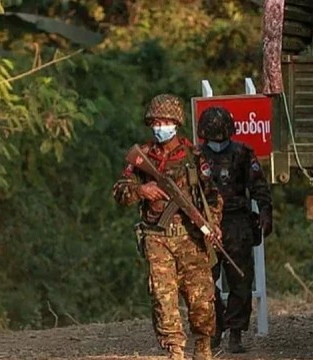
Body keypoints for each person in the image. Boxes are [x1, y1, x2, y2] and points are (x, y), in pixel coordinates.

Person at [112, 94, 223, 360]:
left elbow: (212, 196)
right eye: (155, 121)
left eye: (165, 121)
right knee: (163, 297)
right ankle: (174, 350)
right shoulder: (143, 156)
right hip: (157, 237)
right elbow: (119, 191)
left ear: (176, 122)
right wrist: (141, 190)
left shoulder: (194, 156)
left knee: (201, 301)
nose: (160, 126)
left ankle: (203, 345)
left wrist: (214, 223)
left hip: (191, 238)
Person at [197, 107, 273, 353]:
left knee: (240, 280)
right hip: (205, 224)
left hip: (236, 222)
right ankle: (216, 325)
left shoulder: (242, 153)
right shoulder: (195, 156)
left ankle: (236, 332)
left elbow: (258, 185)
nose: (217, 143)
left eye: (221, 137)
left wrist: (265, 212)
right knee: (205, 281)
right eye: (212, 138)